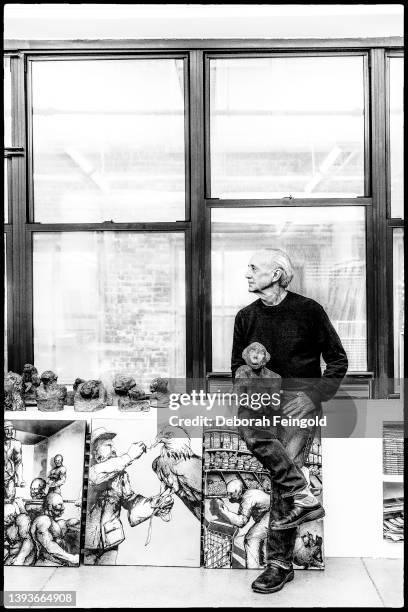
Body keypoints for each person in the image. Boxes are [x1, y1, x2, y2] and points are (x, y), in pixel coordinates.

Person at [232, 248, 348, 594]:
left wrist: (313, 396)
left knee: (282, 478)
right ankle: (305, 494)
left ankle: (279, 563)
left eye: (254, 268)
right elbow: (236, 369)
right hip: (260, 404)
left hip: (300, 406)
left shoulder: (310, 311)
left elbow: (338, 361)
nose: (248, 274)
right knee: (286, 474)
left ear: (277, 274)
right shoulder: (244, 316)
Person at [84, 427, 174, 565]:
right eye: (108, 446)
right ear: (95, 452)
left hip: (111, 541)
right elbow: (96, 476)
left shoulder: (121, 476)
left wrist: (152, 504)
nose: (113, 449)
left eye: (113, 445)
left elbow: (131, 501)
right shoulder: (89, 471)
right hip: (87, 543)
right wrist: (129, 456)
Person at [215, 479, 270, 568]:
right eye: (228, 493)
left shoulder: (247, 499)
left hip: (272, 515)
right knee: (264, 537)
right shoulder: (249, 493)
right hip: (274, 514)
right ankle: (266, 564)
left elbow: (242, 522)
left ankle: (252, 569)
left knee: (251, 538)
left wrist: (226, 512)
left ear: (239, 492)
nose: (229, 497)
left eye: (231, 494)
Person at [31, 492, 80, 566]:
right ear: (50, 507)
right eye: (60, 505)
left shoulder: (58, 523)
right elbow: (49, 545)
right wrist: (71, 558)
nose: (63, 508)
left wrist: (81, 507)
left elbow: (75, 523)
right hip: (46, 564)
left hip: (60, 564)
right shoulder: (43, 520)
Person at [4, 421, 25, 503]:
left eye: (11, 429)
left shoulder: (16, 444)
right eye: (6, 429)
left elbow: (18, 462)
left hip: (10, 477)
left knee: (10, 499)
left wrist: (20, 479)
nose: (9, 432)